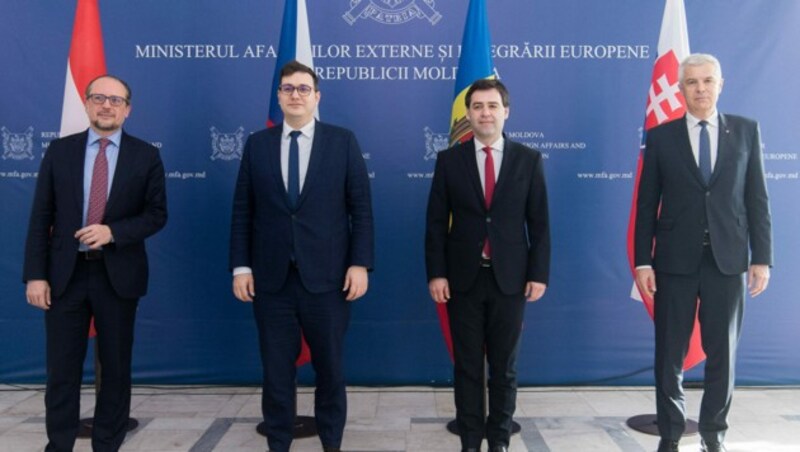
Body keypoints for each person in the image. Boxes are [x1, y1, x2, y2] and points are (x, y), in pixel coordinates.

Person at [229, 60, 374, 452]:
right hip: (271, 282)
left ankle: (331, 444)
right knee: (276, 374)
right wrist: (241, 266)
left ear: (317, 96)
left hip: (328, 280)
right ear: (278, 96)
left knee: (330, 371)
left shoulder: (342, 141)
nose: (295, 95)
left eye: (303, 88)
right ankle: (278, 444)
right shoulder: (257, 144)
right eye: (288, 88)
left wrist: (359, 263)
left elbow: (359, 207)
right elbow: (244, 209)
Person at [634, 54, 772, 452]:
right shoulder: (661, 136)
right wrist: (644, 259)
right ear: (680, 89)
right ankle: (672, 434)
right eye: (692, 82)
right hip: (674, 263)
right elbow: (647, 204)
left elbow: (757, 199)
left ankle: (713, 435)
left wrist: (761, 257)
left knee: (723, 356)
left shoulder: (746, 131)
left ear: (721, 84)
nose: (700, 89)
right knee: (668, 356)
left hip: (727, 262)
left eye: (708, 81)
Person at [23, 75, 168, 451]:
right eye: (99, 98)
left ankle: (107, 443)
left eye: (116, 100)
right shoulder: (60, 152)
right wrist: (36, 276)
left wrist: (113, 232)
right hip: (64, 278)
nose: (107, 106)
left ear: (128, 109)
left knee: (116, 370)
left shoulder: (146, 155)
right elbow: (41, 216)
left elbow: (156, 215)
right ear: (87, 104)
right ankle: (59, 445)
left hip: (117, 276)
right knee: (61, 372)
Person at [425, 79, 550, 452]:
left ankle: (499, 442)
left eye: (492, 106)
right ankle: (469, 441)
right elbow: (435, 222)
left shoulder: (528, 159)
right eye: (477, 106)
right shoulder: (450, 160)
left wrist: (538, 274)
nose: (485, 113)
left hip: (510, 280)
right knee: (466, 368)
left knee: (504, 369)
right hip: (462, 279)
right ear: (468, 113)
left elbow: (540, 223)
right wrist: (436, 272)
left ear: (505, 111)